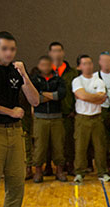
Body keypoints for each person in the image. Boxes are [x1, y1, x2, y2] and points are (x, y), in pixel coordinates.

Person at [0, 31, 39, 207]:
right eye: (4, 49)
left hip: (15, 132)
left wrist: (24, 76)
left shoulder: (16, 71)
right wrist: (10, 111)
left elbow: (35, 100)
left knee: (16, 183)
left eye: (12, 49)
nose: (9, 53)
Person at [72, 54, 109, 183]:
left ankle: (102, 172)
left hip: (96, 117)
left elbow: (102, 96)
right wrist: (96, 98)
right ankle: (79, 172)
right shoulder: (77, 81)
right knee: (80, 147)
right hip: (82, 118)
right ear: (79, 66)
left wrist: (88, 97)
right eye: (85, 63)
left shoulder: (98, 81)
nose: (88, 66)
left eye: (90, 63)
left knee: (100, 146)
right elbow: (81, 95)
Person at [31, 55, 67, 183]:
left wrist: (43, 94)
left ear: (51, 65)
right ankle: (38, 171)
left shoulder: (58, 79)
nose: (45, 67)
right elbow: (35, 97)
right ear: (39, 66)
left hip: (56, 118)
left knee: (58, 145)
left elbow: (61, 94)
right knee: (40, 146)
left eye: (47, 64)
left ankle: (59, 170)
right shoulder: (34, 80)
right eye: (42, 65)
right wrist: (50, 96)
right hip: (40, 118)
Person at [48, 42, 78, 174]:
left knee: (68, 141)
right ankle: (48, 166)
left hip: (67, 113)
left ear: (63, 53)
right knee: (49, 142)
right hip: (51, 112)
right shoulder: (45, 70)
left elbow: (76, 93)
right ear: (50, 53)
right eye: (54, 51)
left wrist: (73, 110)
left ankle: (69, 164)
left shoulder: (72, 73)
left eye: (59, 51)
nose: (57, 54)